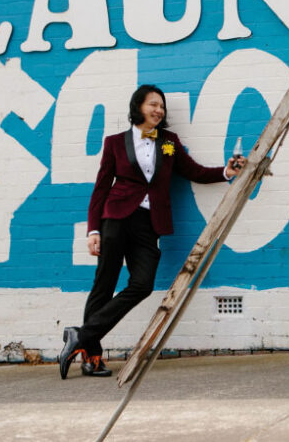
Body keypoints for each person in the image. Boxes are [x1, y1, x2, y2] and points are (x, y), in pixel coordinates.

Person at [59, 84, 242, 379]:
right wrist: (93, 229)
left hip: (148, 223)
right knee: (103, 286)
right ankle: (92, 358)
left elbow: (192, 170)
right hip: (115, 219)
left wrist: (226, 172)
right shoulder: (116, 143)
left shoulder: (167, 142)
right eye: (153, 104)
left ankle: (80, 335)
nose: (159, 110)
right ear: (138, 107)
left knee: (142, 284)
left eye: (162, 106)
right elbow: (101, 189)